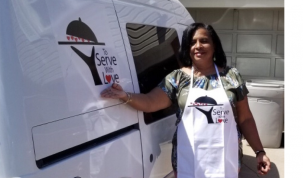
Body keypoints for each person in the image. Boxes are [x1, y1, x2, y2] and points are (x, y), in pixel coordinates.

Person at [101, 22, 271, 178]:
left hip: (226, 159)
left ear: (214, 46)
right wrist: (125, 96)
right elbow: (150, 102)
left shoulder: (231, 76)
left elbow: (245, 118)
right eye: (192, 42)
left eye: (204, 41)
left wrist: (259, 152)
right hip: (187, 159)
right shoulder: (177, 78)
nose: (198, 46)